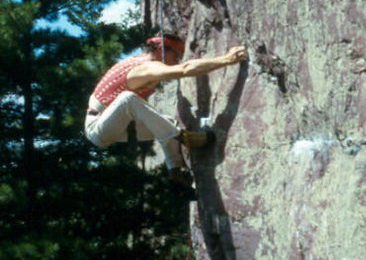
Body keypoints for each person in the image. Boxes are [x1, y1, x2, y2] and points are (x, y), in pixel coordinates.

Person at [84, 34, 248, 199]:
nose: (176, 61)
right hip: (97, 127)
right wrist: (227, 59)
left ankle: (176, 175)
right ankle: (183, 138)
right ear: (162, 49)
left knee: (165, 124)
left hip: (122, 125)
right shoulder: (144, 68)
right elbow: (184, 70)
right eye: (176, 55)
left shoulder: (135, 62)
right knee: (129, 99)